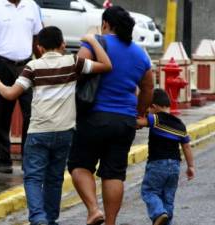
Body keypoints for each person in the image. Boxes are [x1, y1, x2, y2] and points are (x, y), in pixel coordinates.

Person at [0, 26, 112, 225]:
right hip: (65, 132)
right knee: (55, 178)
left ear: (39, 47)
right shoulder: (73, 62)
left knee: (33, 177)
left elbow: (11, 94)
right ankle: (51, 219)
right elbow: (106, 66)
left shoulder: (33, 67)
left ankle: (39, 219)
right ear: (63, 44)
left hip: (39, 132)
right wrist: (93, 39)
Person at [67, 6, 154, 225]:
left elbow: (77, 68)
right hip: (124, 120)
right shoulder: (140, 54)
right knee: (114, 173)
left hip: (94, 116)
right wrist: (139, 114)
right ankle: (111, 222)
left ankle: (93, 209)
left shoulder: (96, 43)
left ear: (106, 24)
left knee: (80, 165)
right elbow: (148, 89)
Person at [0, 0, 43, 173]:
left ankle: (27, 158)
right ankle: (4, 160)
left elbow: (37, 38)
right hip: (2, 64)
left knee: (30, 113)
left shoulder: (31, 6)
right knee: (3, 114)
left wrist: (43, 62)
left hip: (26, 65)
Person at [137, 88, 195, 225]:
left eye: (148, 109)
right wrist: (191, 166)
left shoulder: (155, 119)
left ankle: (158, 213)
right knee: (168, 198)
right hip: (175, 166)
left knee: (149, 191)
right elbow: (186, 146)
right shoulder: (181, 125)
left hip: (157, 164)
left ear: (154, 106)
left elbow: (139, 123)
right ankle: (166, 220)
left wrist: (135, 117)